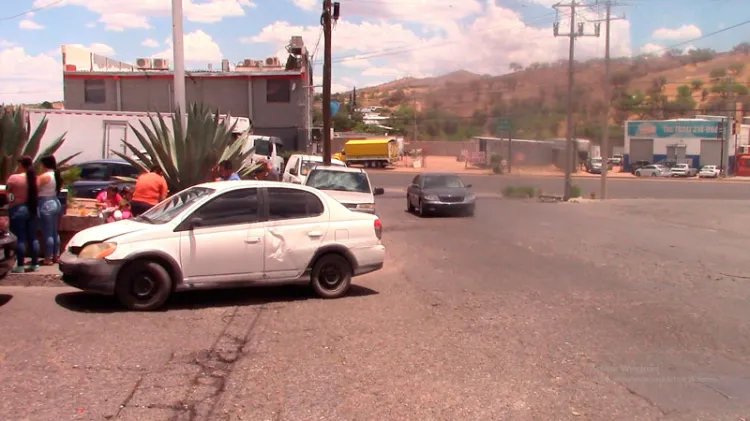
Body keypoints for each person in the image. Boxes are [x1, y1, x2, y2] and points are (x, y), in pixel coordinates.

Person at [6, 156, 40, 272]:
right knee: (33, 238)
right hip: (33, 209)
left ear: (21, 164)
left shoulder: (14, 178)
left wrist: (11, 201)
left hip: (18, 209)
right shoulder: (34, 178)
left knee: (20, 238)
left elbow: (8, 192)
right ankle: (35, 264)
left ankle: (20, 265)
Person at [37, 155, 63, 265]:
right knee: (54, 232)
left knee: (47, 233)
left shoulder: (45, 176)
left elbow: (34, 188)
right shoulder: (56, 175)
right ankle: (56, 255)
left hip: (45, 203)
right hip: (55, 202)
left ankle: (48, 257)